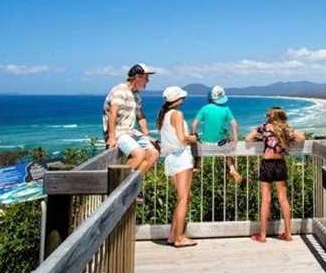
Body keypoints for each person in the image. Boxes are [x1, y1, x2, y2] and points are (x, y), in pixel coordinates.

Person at [246, 106, 305, 242]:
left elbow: (248, 138)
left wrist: (261, 140)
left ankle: (262, 235)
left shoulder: (264, 127)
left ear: (270, 117)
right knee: (283, 199)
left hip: (267, 164)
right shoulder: (285, 129)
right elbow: (301, 138)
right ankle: (288, 234)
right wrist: (288, 137)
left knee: (266, 200)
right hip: (280, 164)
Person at [157, 86, 198, 247]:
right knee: (184, 199)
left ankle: (173, 236)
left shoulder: (165, 115)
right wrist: (193, 138)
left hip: (170, 159)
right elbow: (182, 139)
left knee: (182, 199)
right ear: (178, 99)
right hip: (181, 158)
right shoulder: (178, 114)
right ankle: (179, 237)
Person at [102, 63, 160, 172]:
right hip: (119, 132)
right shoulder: (120, 90)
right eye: (146, 78)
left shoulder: (136, 94)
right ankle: (119, 186)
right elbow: (112, 113)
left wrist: (147, 136)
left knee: (154, 153)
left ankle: (133, 183)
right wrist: (112, 137)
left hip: (130, 132)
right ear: (137, 77)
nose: (148, 81)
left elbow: (140, 116)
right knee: (139, 154)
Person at [191, 85, 243, 183]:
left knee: (199, 145)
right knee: (228, 151)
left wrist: (195, 138)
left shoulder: (205, 108)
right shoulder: (226, 109)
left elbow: (194, 125)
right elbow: (235, 125)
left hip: (205, 143)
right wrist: (235, 140)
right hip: (221, 143)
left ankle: (197, 166)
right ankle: (232, 169)